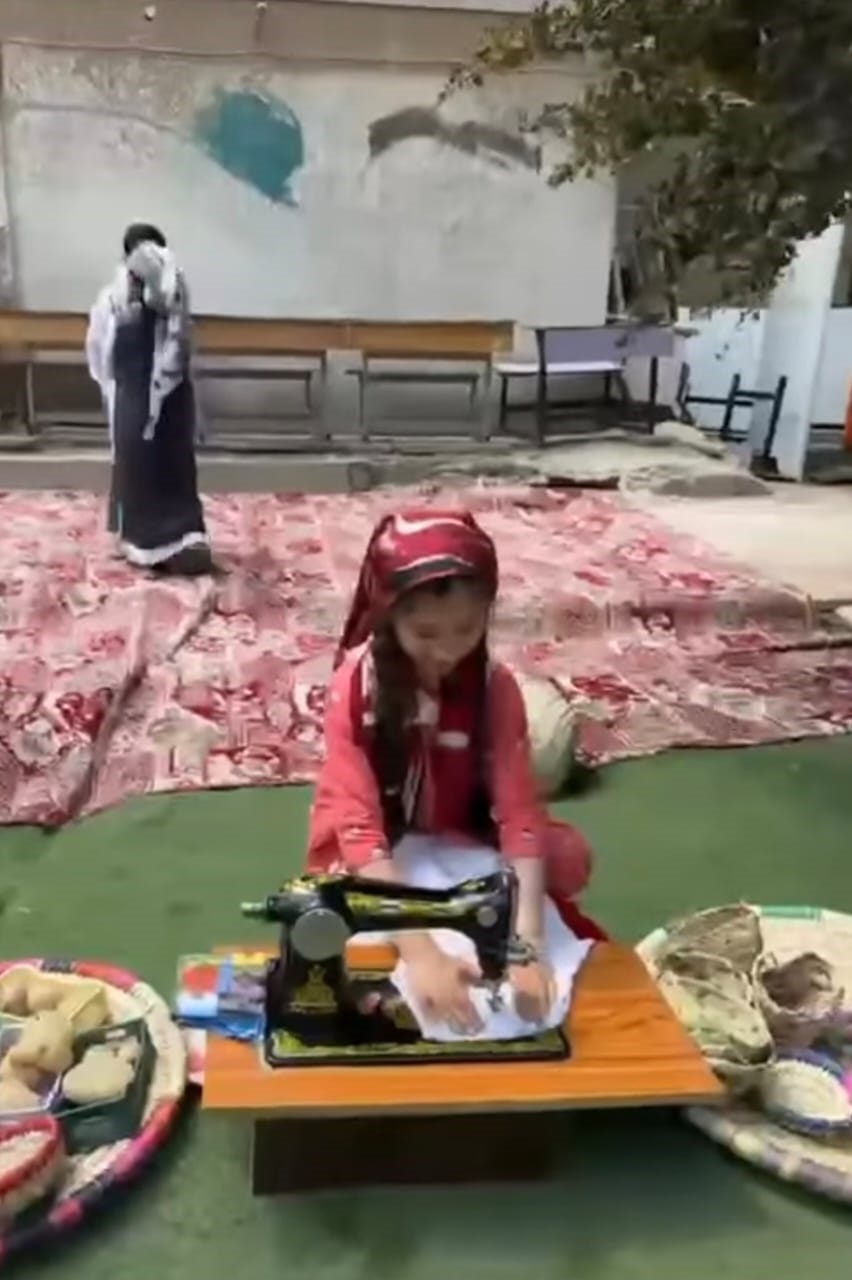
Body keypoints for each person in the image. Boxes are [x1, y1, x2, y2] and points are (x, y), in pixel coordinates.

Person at [307, 508, 605, 1037]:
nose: (447, 649)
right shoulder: (354, 689)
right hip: (378, 833)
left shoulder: (495, 689)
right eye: (425, 632)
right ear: (388, 616)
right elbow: (360, 830)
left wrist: (526, 946)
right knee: (339, 903)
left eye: (467, 628)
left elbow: (519, 817)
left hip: (460, 822)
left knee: (563, 859)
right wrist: (422, 954)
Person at [85, 222, 211, 575]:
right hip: (132, 396)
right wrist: (113, 387)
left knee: (174, 463)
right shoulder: (112, 298)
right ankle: (142, 541)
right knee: (134, 462)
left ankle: (182, 538)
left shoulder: (172, 291)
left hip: (168, 397)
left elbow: (182, 344)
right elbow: (99, 347)